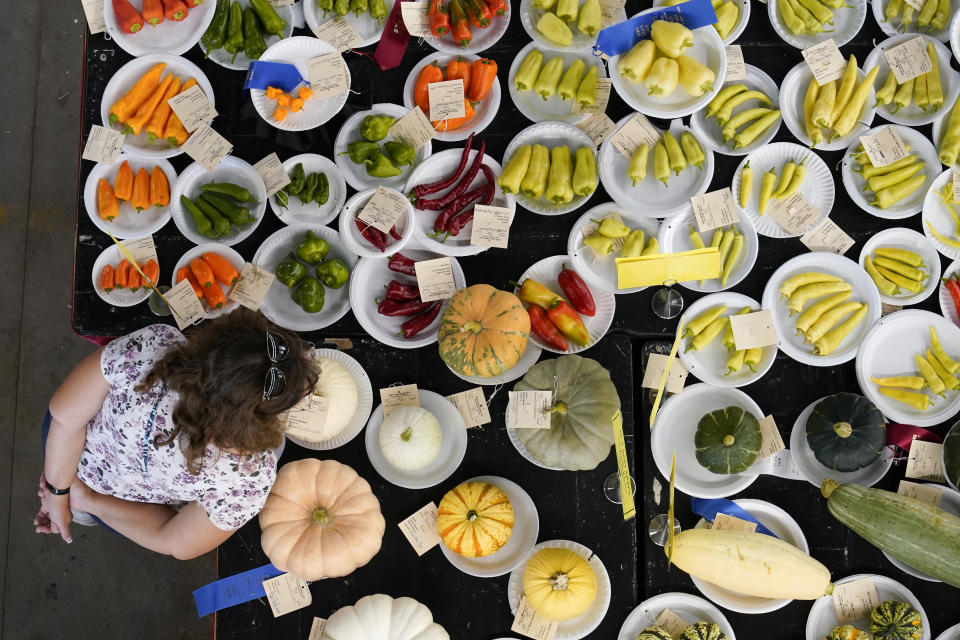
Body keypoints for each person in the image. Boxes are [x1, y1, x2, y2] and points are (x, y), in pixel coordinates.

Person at [34, 308, 317, 559]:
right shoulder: (248, 478)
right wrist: (86, 499)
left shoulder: (154, 345)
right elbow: (169, 539)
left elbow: (65, 419)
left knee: (65, 491)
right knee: (81, 507)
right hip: (112, 498)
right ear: (254, 422)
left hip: (68, 446)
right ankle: (81, 511)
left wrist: (58, 492)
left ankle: (68, 506)